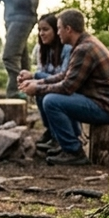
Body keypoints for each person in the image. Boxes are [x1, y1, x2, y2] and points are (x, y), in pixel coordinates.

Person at [18, 8, 109, 166]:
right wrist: (37, 82)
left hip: (107, 108)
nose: (58, 32)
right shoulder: (82, 44)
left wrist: (37, 89)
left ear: (68, 29)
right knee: (48, 96)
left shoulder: (84, 49)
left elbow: (68, 87)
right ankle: (63, 142)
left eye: (59, 28)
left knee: (51, 101)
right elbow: (65, 75)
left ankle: (73, 151)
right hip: (99, 102)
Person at [28, 12, 74, 151]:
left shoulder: (67, 49)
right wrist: (28, 78)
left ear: (56, 30)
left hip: (67, 90)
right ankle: (51, 132)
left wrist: (34, 76)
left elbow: (64, 77)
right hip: (53, 87)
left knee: (43, 91)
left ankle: (60, 136)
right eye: (39, 30)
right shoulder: (41, 49)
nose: (41, 33)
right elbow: (43, 75)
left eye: (45, 29)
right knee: (39, 89)